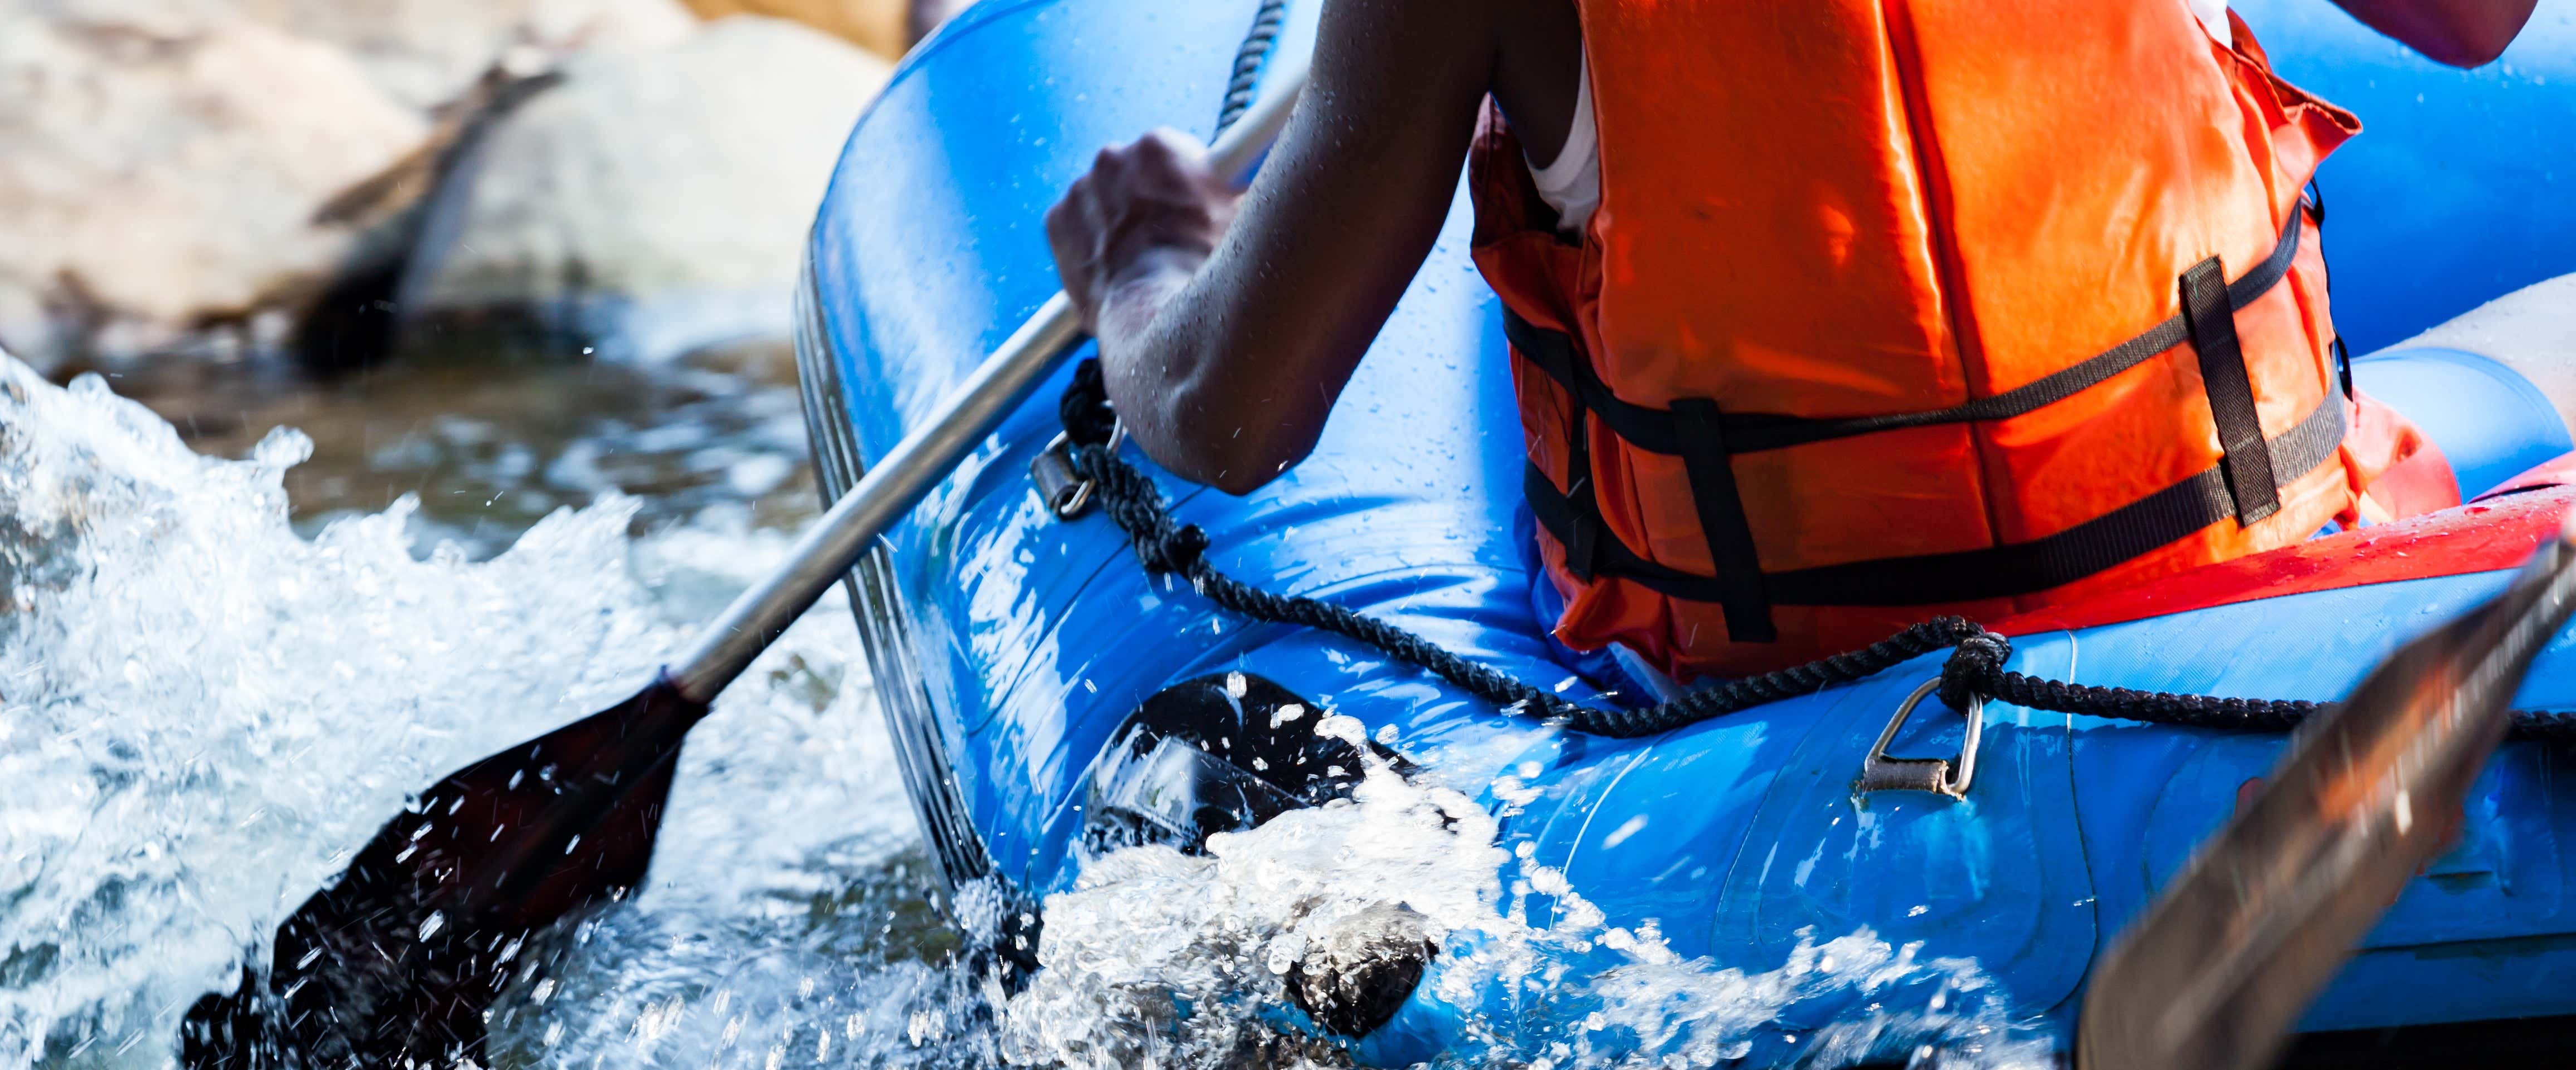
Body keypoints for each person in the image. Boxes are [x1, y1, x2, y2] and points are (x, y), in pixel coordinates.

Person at [1047, 0, 2539, 679]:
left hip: (1781, 685)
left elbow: (1222, 414)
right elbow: (2476, 20)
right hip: (2261, 597)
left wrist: (1149, 260)